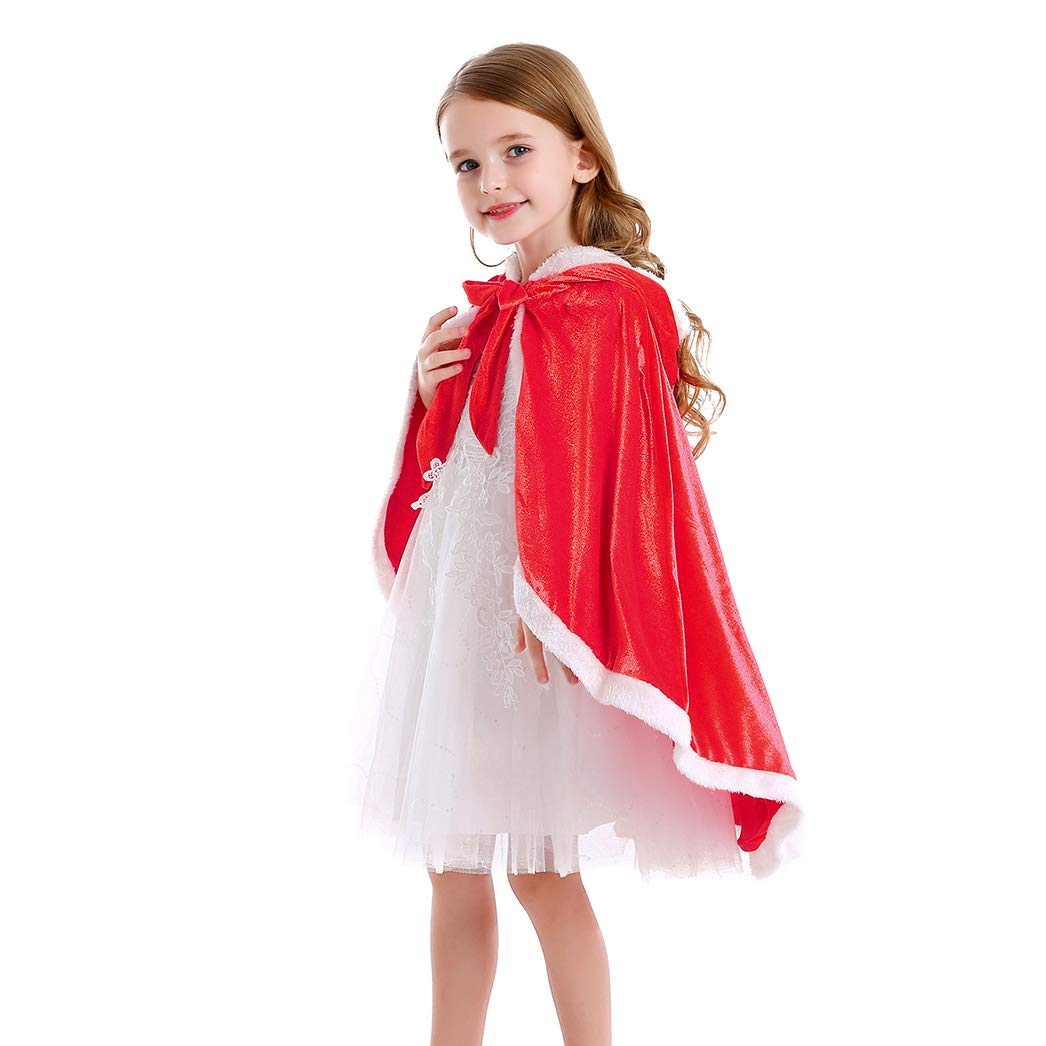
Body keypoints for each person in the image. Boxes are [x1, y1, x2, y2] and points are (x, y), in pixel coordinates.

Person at [349, 42, 803, 1046]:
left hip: (542, 626)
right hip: (462, 619)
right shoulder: (482, 317)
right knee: (451, 862)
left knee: (542, 872)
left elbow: (613, 472)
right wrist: (426, 392)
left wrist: (552, 597)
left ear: (581, 156)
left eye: (517, 150)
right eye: (467, 163)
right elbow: (460, 464)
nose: (491, 181)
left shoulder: (609, 301)